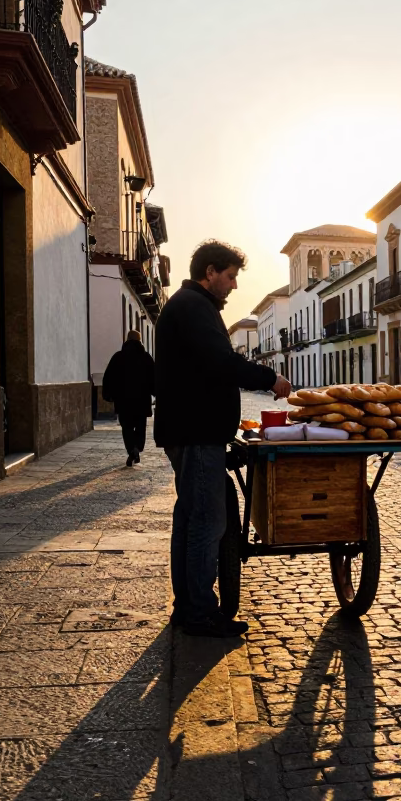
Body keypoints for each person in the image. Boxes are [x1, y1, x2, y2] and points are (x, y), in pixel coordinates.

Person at [154, 239, 291, 638]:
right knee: (207, 523)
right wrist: (270, 379)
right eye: (229, 276)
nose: (233, 285)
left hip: (190, 430)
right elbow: (221, 364)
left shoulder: (190, 306)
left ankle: (187, 607)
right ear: (210, 272)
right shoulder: (195, 308)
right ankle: (199, 613)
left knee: (190, 519)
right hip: (197, 433)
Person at [102, 329, 156, 467]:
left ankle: (131, 449)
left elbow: (108, 377)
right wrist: (157, 393)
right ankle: (137, 447)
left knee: (126, 428)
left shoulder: (118, 357)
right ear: (140, 340)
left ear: (126, 340)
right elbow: (154, 378)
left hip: (123, 401)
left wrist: (108, 394)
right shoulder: (146, 358)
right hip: (141, 402)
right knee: (140, 427)